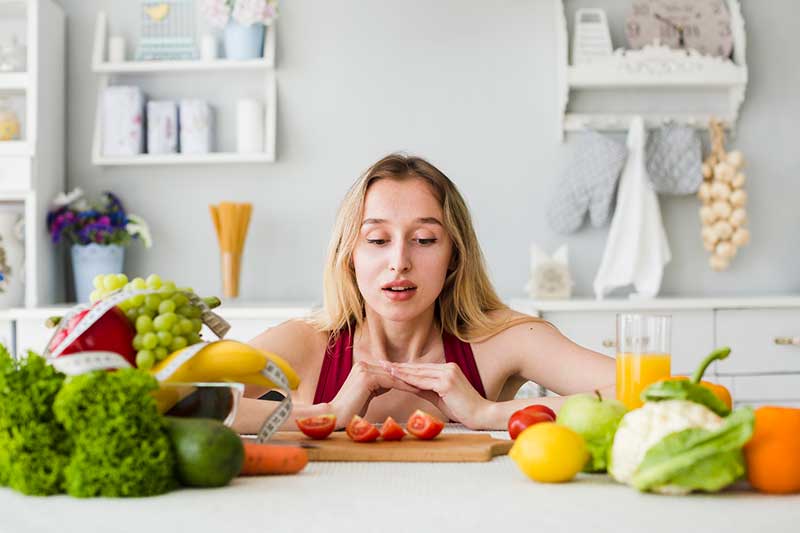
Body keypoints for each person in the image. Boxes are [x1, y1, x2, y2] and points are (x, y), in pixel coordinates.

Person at [235, 154, 614, 433]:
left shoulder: (503, 340)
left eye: (424, 239)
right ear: (350, 256)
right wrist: (329, 413)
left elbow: (654, 393)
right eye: (377, 239)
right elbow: (183, 401)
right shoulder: (307, 344)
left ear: (454, 256)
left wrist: (486, 413)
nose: (399, 261)